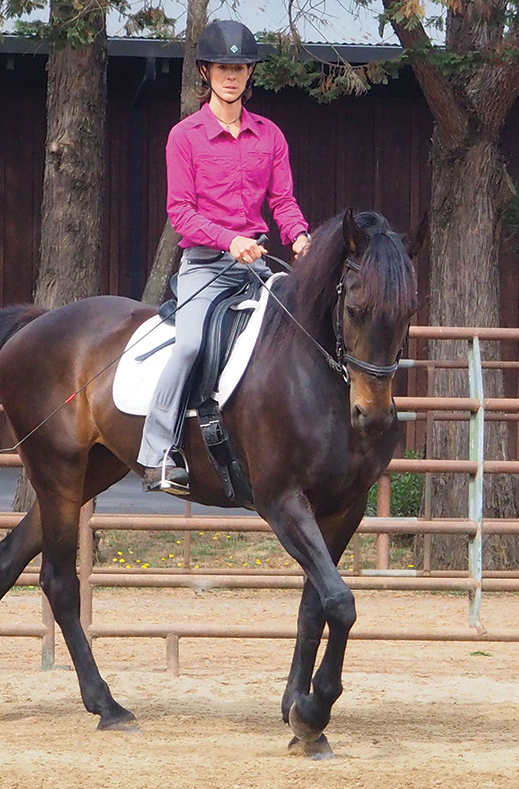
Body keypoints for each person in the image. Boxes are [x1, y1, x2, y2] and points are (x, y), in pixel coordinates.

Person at [139, 19, 312, 494]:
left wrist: (299, 237)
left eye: (240, 67)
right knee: (192, 345)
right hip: (205, 266)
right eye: (223, 67)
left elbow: (282, 202)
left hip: (256, 267)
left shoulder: (270, 136)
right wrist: (229, 240)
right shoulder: (184, 137)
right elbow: (181, 214)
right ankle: (162, 452)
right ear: (206, 72)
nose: (231, 75)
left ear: (249, 74)